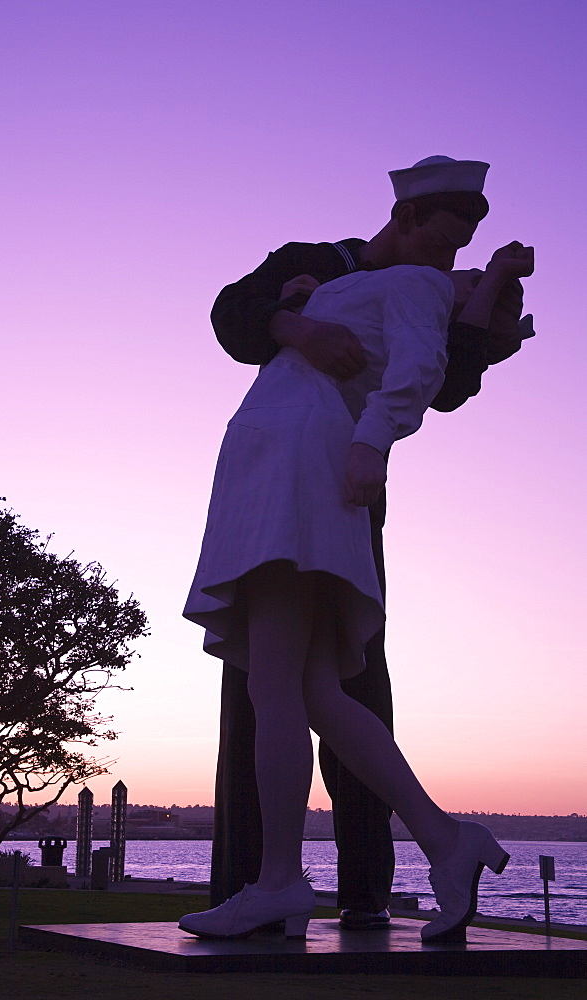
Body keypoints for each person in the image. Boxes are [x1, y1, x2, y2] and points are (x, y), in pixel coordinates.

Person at [179, 223, 534, 941]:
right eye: (446, 250)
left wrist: (491, 282)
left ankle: (279, 880)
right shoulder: (370, 279)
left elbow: (425, 373)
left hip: (295, 466)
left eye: (461, 267)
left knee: (275, 684)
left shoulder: (421, 284)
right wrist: (304, 307)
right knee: (315, 691)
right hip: (296, 462)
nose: (450, 265)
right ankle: (443, 840)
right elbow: (243, 314)